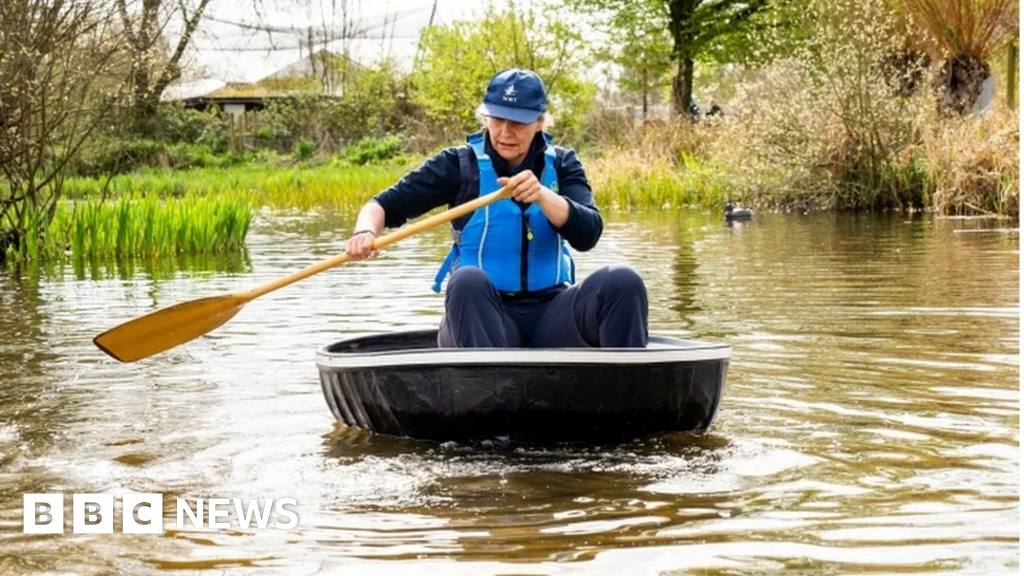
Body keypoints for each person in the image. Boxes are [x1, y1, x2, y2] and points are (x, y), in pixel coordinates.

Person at [345, 68, 648, 349]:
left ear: (540, 121)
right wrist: (365, 231)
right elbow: (381, 205)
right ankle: (489, 395)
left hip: (553, 317)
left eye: (517, 122)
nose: (504, 132)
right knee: (466, 280)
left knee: (623, 281)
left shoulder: (564, 164)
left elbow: (589, 234)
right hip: (482, 314)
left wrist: (543, 196)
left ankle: (626, 393)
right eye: (497, 119)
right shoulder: (457, 165)